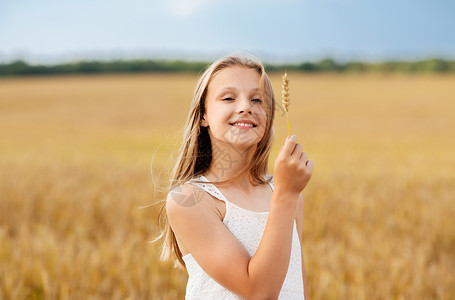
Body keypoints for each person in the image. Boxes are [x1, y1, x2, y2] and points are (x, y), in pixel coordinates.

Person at [157, 53, 314, 299]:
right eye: (229, 98)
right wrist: (286, 195)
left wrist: (286, 193)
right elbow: (260, 292)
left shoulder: (284, 192)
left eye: (257, 100)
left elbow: (297, 286)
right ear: (203, 116)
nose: (245, 107)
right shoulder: (190, 200)